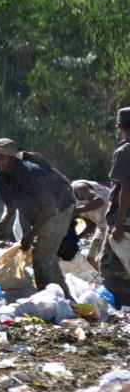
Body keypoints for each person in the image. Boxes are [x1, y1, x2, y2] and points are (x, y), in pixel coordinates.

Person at [0, 138, 75, 293]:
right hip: (41, 212)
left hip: (59, 209)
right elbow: (11, 204)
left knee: (41, 255)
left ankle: (47, 299)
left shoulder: (30, 171)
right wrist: (2, 223)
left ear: (12, 158)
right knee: (46, 255)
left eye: (1, 156)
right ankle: (63, 297)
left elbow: (50, 207)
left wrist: (30, 235)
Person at [98, 107, 130, 307]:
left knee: (110, 269)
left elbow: (127, 188)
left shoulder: (125, 150)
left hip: (124, 221)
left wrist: (119, 223)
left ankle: (122, 311)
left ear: (119, 124)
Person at [71, 179, 109, 268]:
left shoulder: (79, 187)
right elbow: (91, 224)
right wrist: (76, 238)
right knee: (92, 259)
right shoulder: (72, 205)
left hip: (116, 219)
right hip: (103, 225)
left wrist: (75, 211)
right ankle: (100, 280)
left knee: (101, 259)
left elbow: (99, 201)